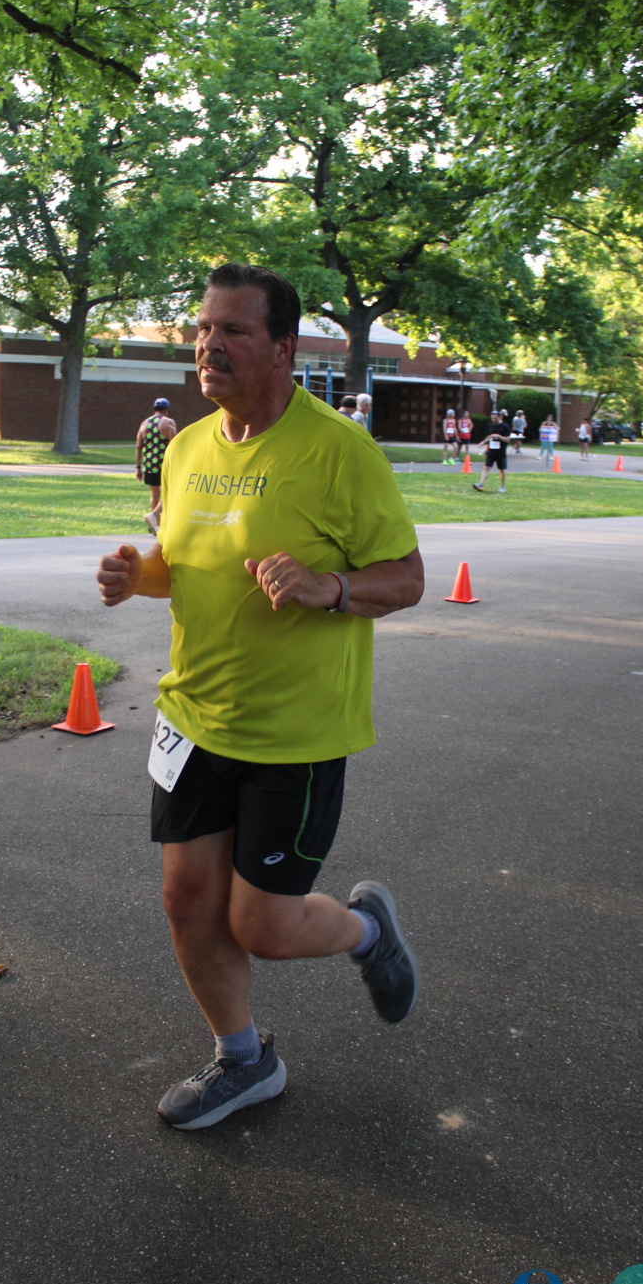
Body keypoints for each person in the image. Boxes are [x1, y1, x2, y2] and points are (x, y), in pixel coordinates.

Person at [96, 263, 424, 1131]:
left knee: (264, 927)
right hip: (192, 718)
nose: (210, 346)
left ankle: (367, 931)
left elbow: (407, 578)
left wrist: (331, 588)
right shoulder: (188, 447)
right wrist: (138, 575)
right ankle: (243, 1061)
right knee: (187, 902)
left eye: (234, 331)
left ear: (283, 348)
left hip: (294, 734)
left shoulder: (339, 451)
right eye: (204, 329)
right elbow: (183, 563)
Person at [135, 398, 177, 532]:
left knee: (154, 494)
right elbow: (175, 445)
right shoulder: (168, 422)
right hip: (164, 464)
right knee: (170, 492)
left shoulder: (144, 424)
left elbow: (138, 447)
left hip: (149, 464)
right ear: (166, 410)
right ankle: (154, 515)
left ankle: (156, 525)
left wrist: (138, 467)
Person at [472, 411, 509, 493]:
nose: (493, 420)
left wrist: (498, 436)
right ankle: (481, 484)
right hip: (491, 450)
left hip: (501, 451)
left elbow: (507, 439)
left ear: (499, 417)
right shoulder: (490, 426)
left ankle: (502, 486)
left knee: (501, 469)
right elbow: (489, 436)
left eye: (495, 418)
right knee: (486, 467)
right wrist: (483, 442)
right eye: (492, 418)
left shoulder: (505, 426)